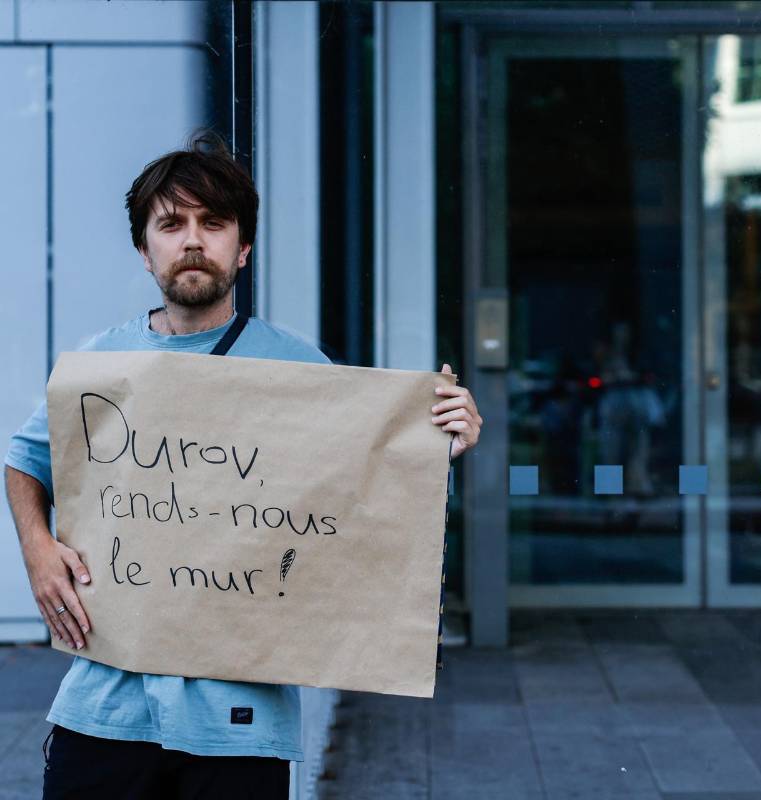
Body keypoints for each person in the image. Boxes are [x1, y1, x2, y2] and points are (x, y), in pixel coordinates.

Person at [3, 131, 482, 799]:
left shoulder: (296, 366)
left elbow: (368, 496)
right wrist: (37, 549)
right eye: (171, 224)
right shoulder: (102, 361)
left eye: (214, 223)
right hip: (103, 710)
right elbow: (25, 460)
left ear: (243, 248)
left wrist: (442, 446)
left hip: (239, 724)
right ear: (145, 251)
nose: (192, 240)